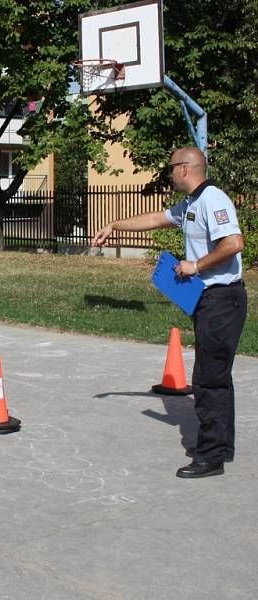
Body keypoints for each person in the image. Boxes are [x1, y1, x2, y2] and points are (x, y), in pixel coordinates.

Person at [92, 146, 247, 479]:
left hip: (222, 299)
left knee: (208, 379)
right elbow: (155, 219)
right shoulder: (191, 204)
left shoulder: (212, 199)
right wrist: (114, 225)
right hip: (208, 300)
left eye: (171, 168)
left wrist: (196, 265)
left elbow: (233, 243)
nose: (168, 173)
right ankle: (220, 446)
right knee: (216, 376)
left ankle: (210, 457)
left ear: (185, 169)